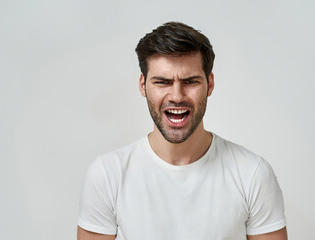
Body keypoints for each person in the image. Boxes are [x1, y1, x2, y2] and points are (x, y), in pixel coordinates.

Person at [77, 22, 287, 240]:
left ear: (210, 84)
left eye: (190, 81)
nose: (176, 95)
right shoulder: (107, 175)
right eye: (162, 82)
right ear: (143, 85)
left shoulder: (252, 174)